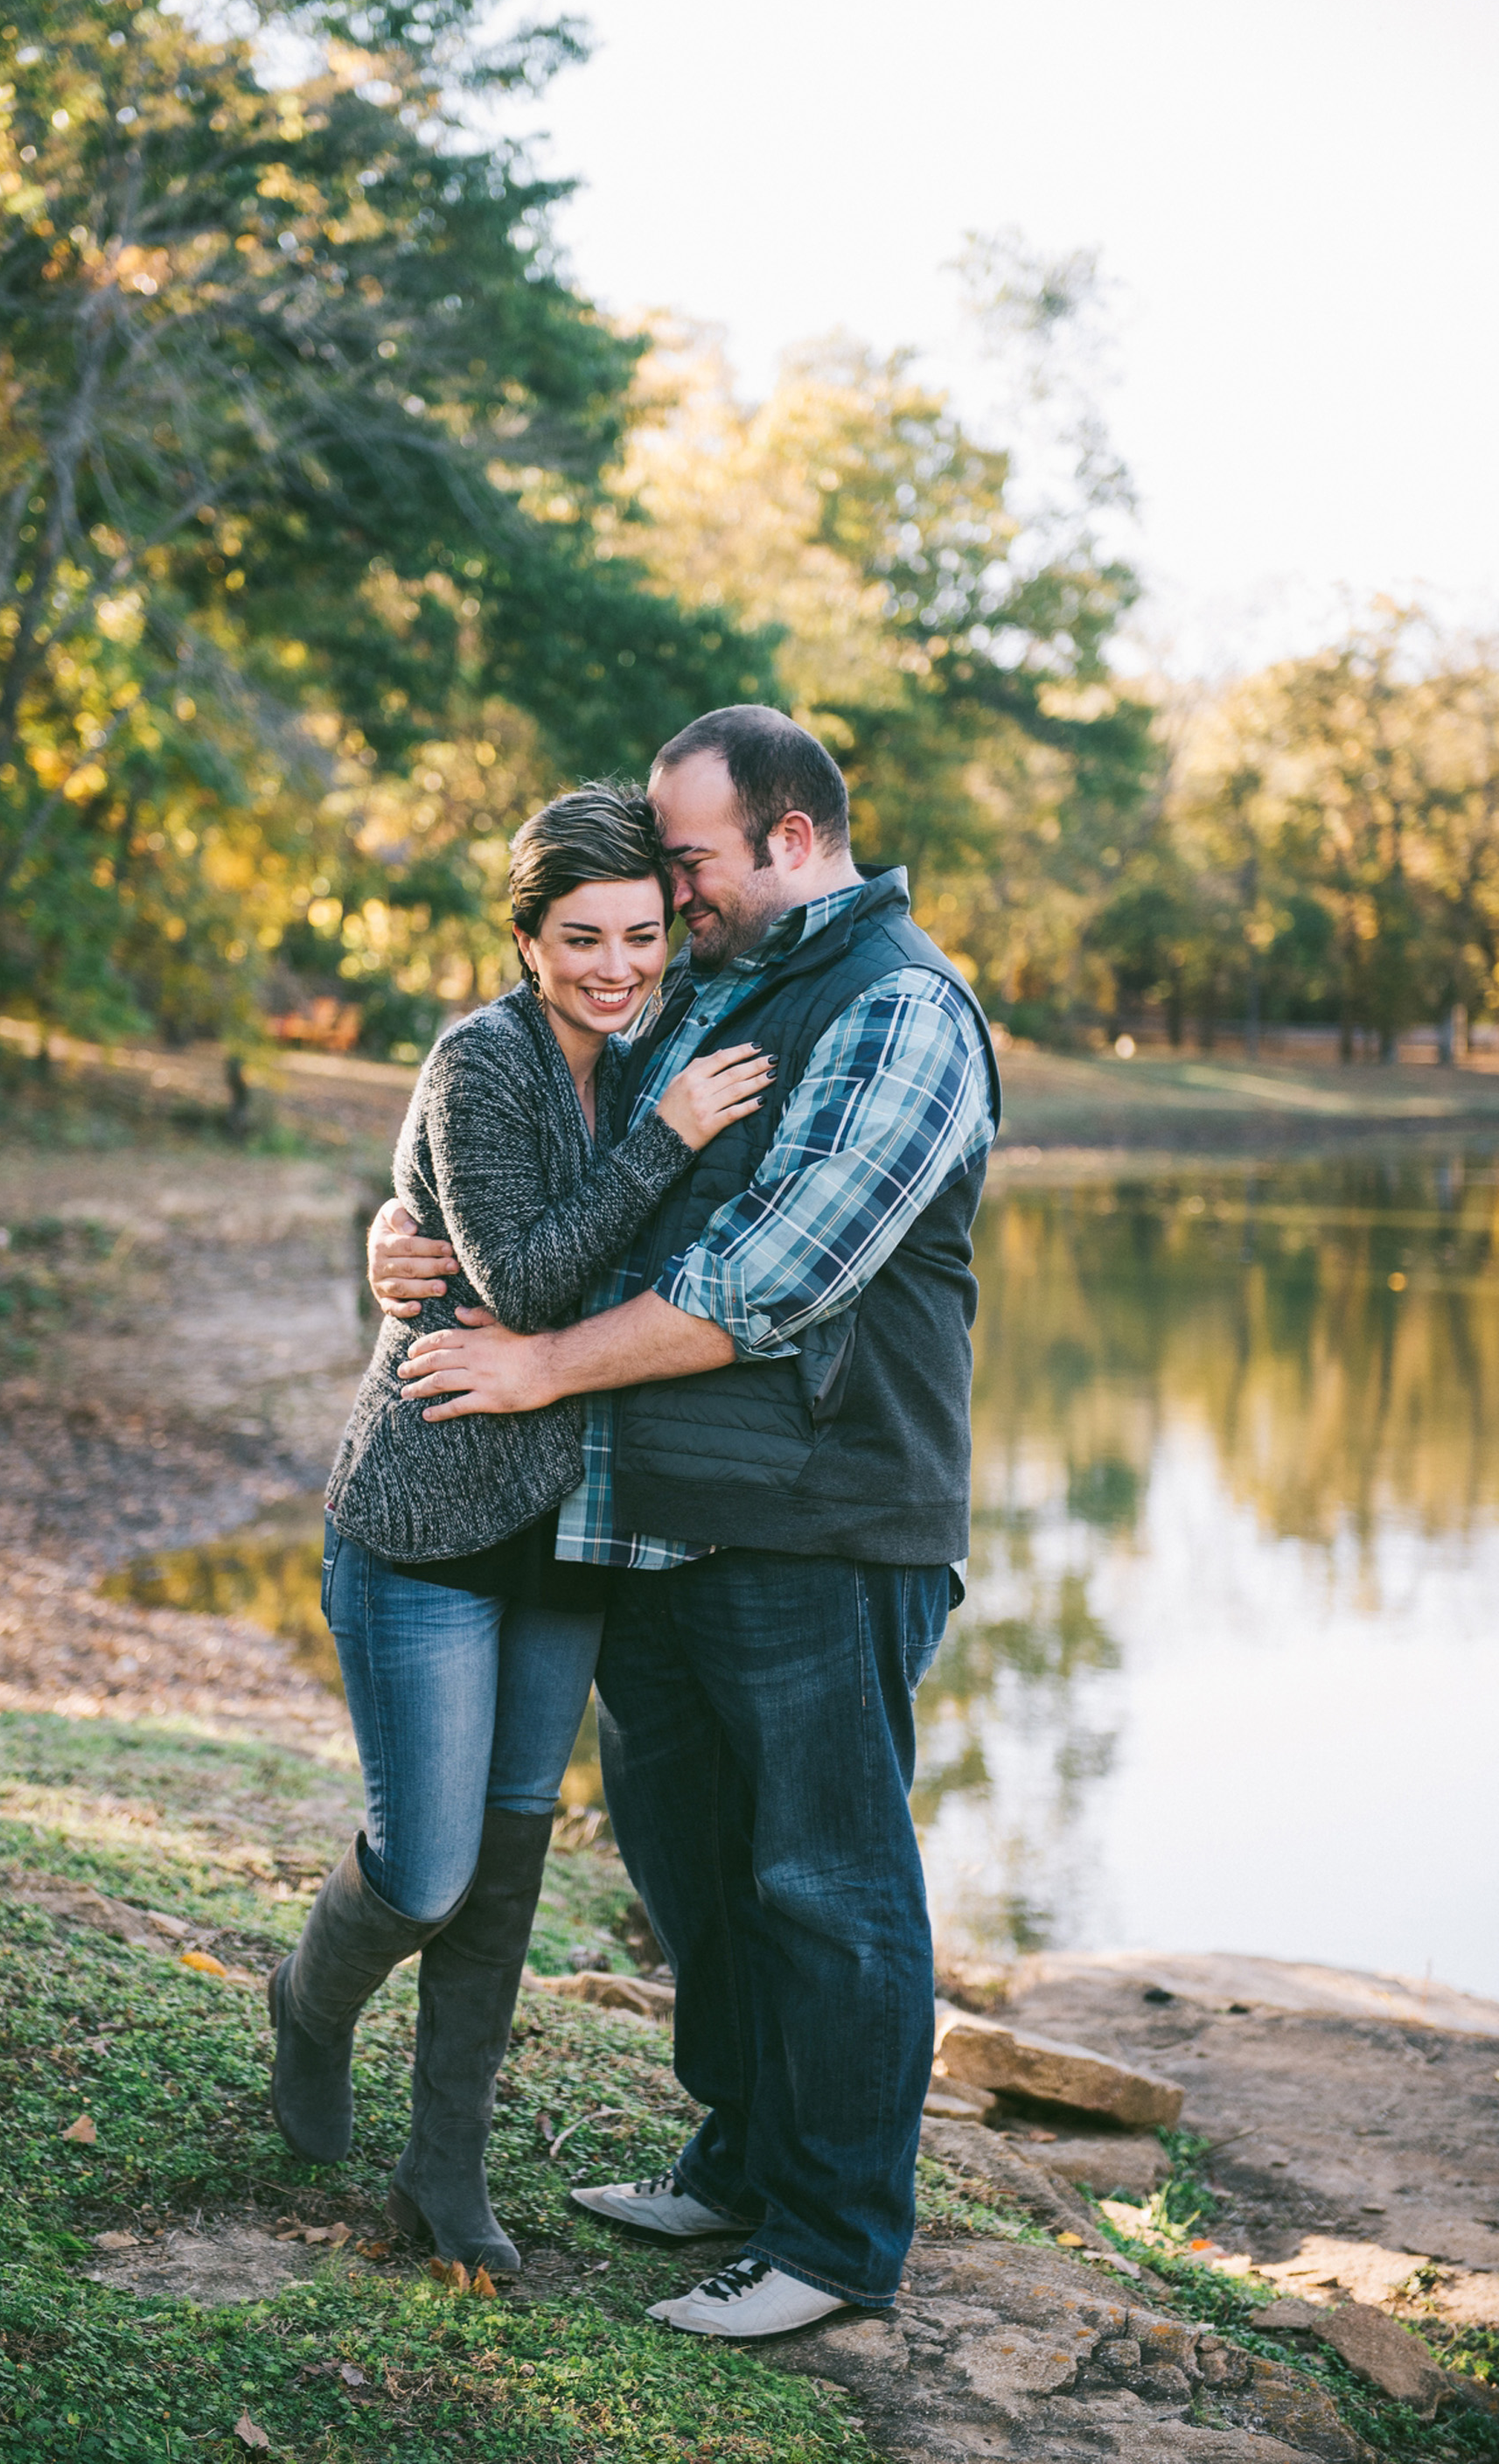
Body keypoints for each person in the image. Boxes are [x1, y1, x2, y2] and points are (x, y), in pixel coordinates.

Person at [369, 704, 1000, 2338]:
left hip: (824, 1518)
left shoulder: (902, 1009)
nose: (670, 889)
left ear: (790, 840)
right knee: (704, 1874)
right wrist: (402, 1217)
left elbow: (773, 1276)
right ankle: (739, 2159)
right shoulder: (727, 981)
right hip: (660, 1516)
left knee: (830, 1883)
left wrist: (536, 1368)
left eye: (691, 861)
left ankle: (839, 2238)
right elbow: (544, 1156)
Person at [269, 782, 770, 2279]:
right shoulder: (483, 1062)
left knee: (509, 1864)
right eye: (580, 939)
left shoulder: (662, 1043)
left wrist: (663, 1116)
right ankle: (308, 1999)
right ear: (525, 938)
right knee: (422, 1871)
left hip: (568, 1529)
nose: (615, 967)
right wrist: (667, 1138)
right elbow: (534, 1284)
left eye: (639, 935)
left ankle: (447, 2173)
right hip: (425, 1516)